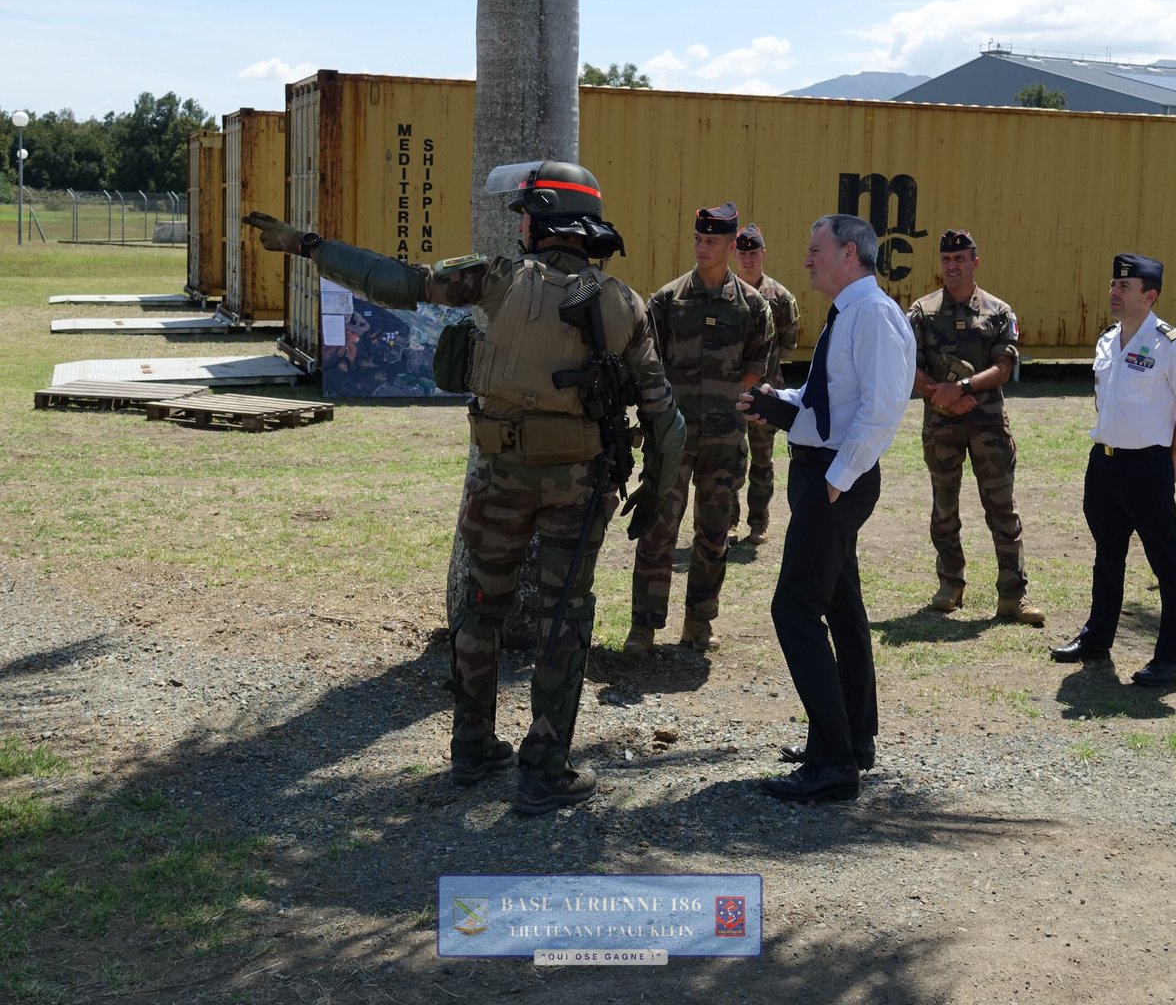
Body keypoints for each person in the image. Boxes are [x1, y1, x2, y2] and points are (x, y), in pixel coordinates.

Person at [243, 160, 685, 813]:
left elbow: (399, 283)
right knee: (566, 620)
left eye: (527, 216)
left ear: (551, 220)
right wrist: (656, 492)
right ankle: (545, 769)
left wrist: (309, 245)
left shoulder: (497, 279)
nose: (522, 227)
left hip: (499, 481)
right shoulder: (626, 304)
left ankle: (473, 747)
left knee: (482, 609)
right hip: (577, 491)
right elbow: (664, 418)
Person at [741, 213, 915, 805]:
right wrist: (778, 402)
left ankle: (834, 765)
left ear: (848, 253)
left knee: (794, 609)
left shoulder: (873, 314)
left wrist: (837, 482)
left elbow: (883, 408)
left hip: (838, 477)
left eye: (815, 250)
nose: (807, 259)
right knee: (841, 608)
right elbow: (832, 401)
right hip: (825, 469)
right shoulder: (851, 311)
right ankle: (850, 740)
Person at [623, 202, 774, 655]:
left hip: (725, 437)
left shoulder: (752, 306)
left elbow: (755, 367)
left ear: (731, 246)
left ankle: (699, 621)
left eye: (712, 241)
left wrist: (720, 401)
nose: (702, 247)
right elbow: (649, 363)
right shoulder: (668, 301)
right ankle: (644, 626)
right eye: (698, 239)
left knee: (712, 531)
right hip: (673, 436)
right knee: (658, 528)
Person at [1051, 253, 1176, 689]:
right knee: (1107, 554)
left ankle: (1169, 660)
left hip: (1147, 466)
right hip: (1106, 462)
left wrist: (1169, 456)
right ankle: (1097, 641)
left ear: (1149, 295)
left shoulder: (1170, 344)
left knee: (1167, 563)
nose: (1114, 293)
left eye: (1125, 287)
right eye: (1114, 285)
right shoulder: (1107, 340)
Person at [907, 229, 1043, 626]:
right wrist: (941, 394)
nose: (953, 266)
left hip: (987, 426)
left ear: (974, 262)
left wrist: (962, 387)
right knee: (944, 506)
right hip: (942, 425)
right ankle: (950, 583)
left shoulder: (998, 311)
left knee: (1002, 509)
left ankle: (1012, 596)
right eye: (947, 260)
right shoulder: (922, 311)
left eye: (960, 259)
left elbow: (1004, 366)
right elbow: (907, 366)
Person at [730, 223, 800, 546]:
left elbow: (788, 344)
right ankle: (728, 521)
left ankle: (758, 523)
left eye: (753, 252)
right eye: (742, 253)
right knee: (730, 458)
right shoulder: (724, 293)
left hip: (765, 390)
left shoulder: (781, 298)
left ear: (763, 254)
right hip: (730, 390)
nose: (747, 259)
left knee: (761, 460)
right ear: (734, 253)